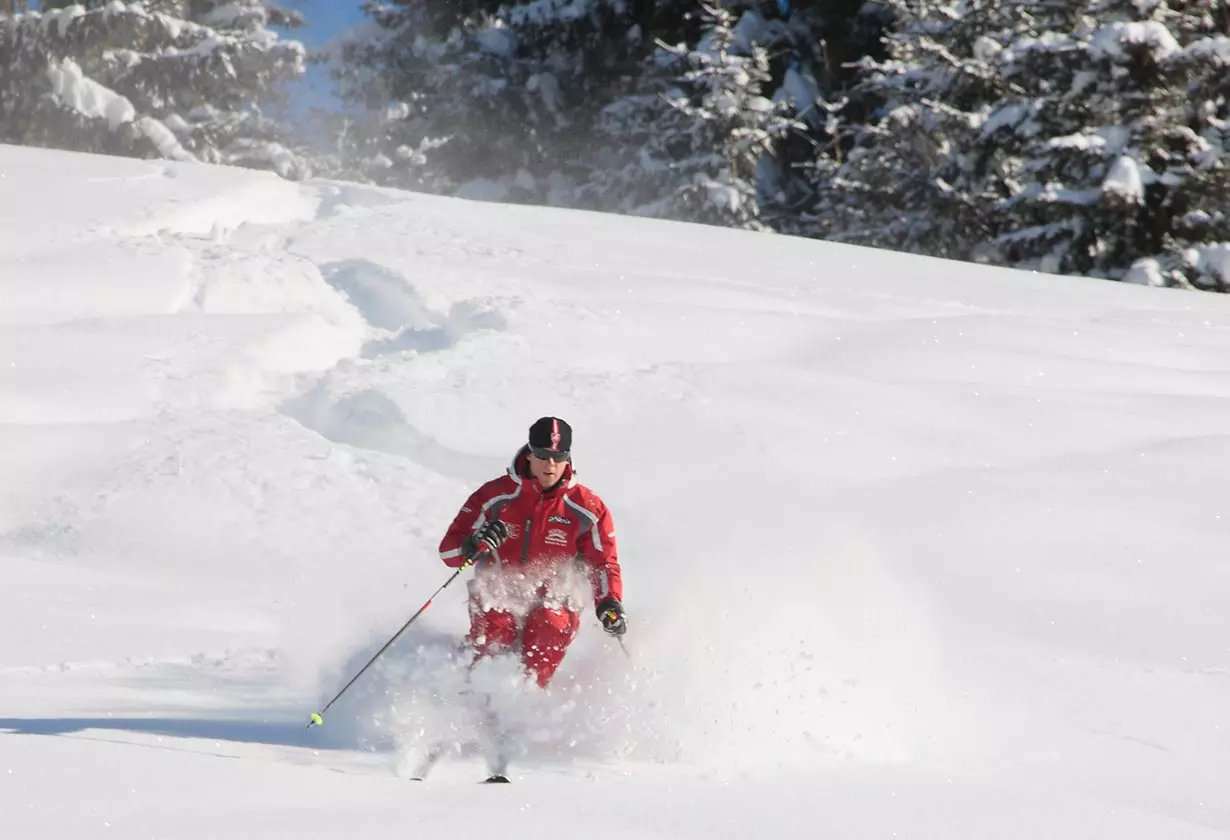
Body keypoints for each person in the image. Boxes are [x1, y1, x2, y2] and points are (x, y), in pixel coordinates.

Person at [438, 416, 626, 688]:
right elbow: (448, 553)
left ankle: (526, 705)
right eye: (543, 455)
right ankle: (475, 699)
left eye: (558, 457)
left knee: (551, 625)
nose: (551, 465)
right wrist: (474, 542)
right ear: (530, 454)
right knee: (495, 625)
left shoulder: (587, 508)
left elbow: (604, 563)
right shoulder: (495, 496)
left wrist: (610, 603)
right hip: (499, 591)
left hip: (556, 597)